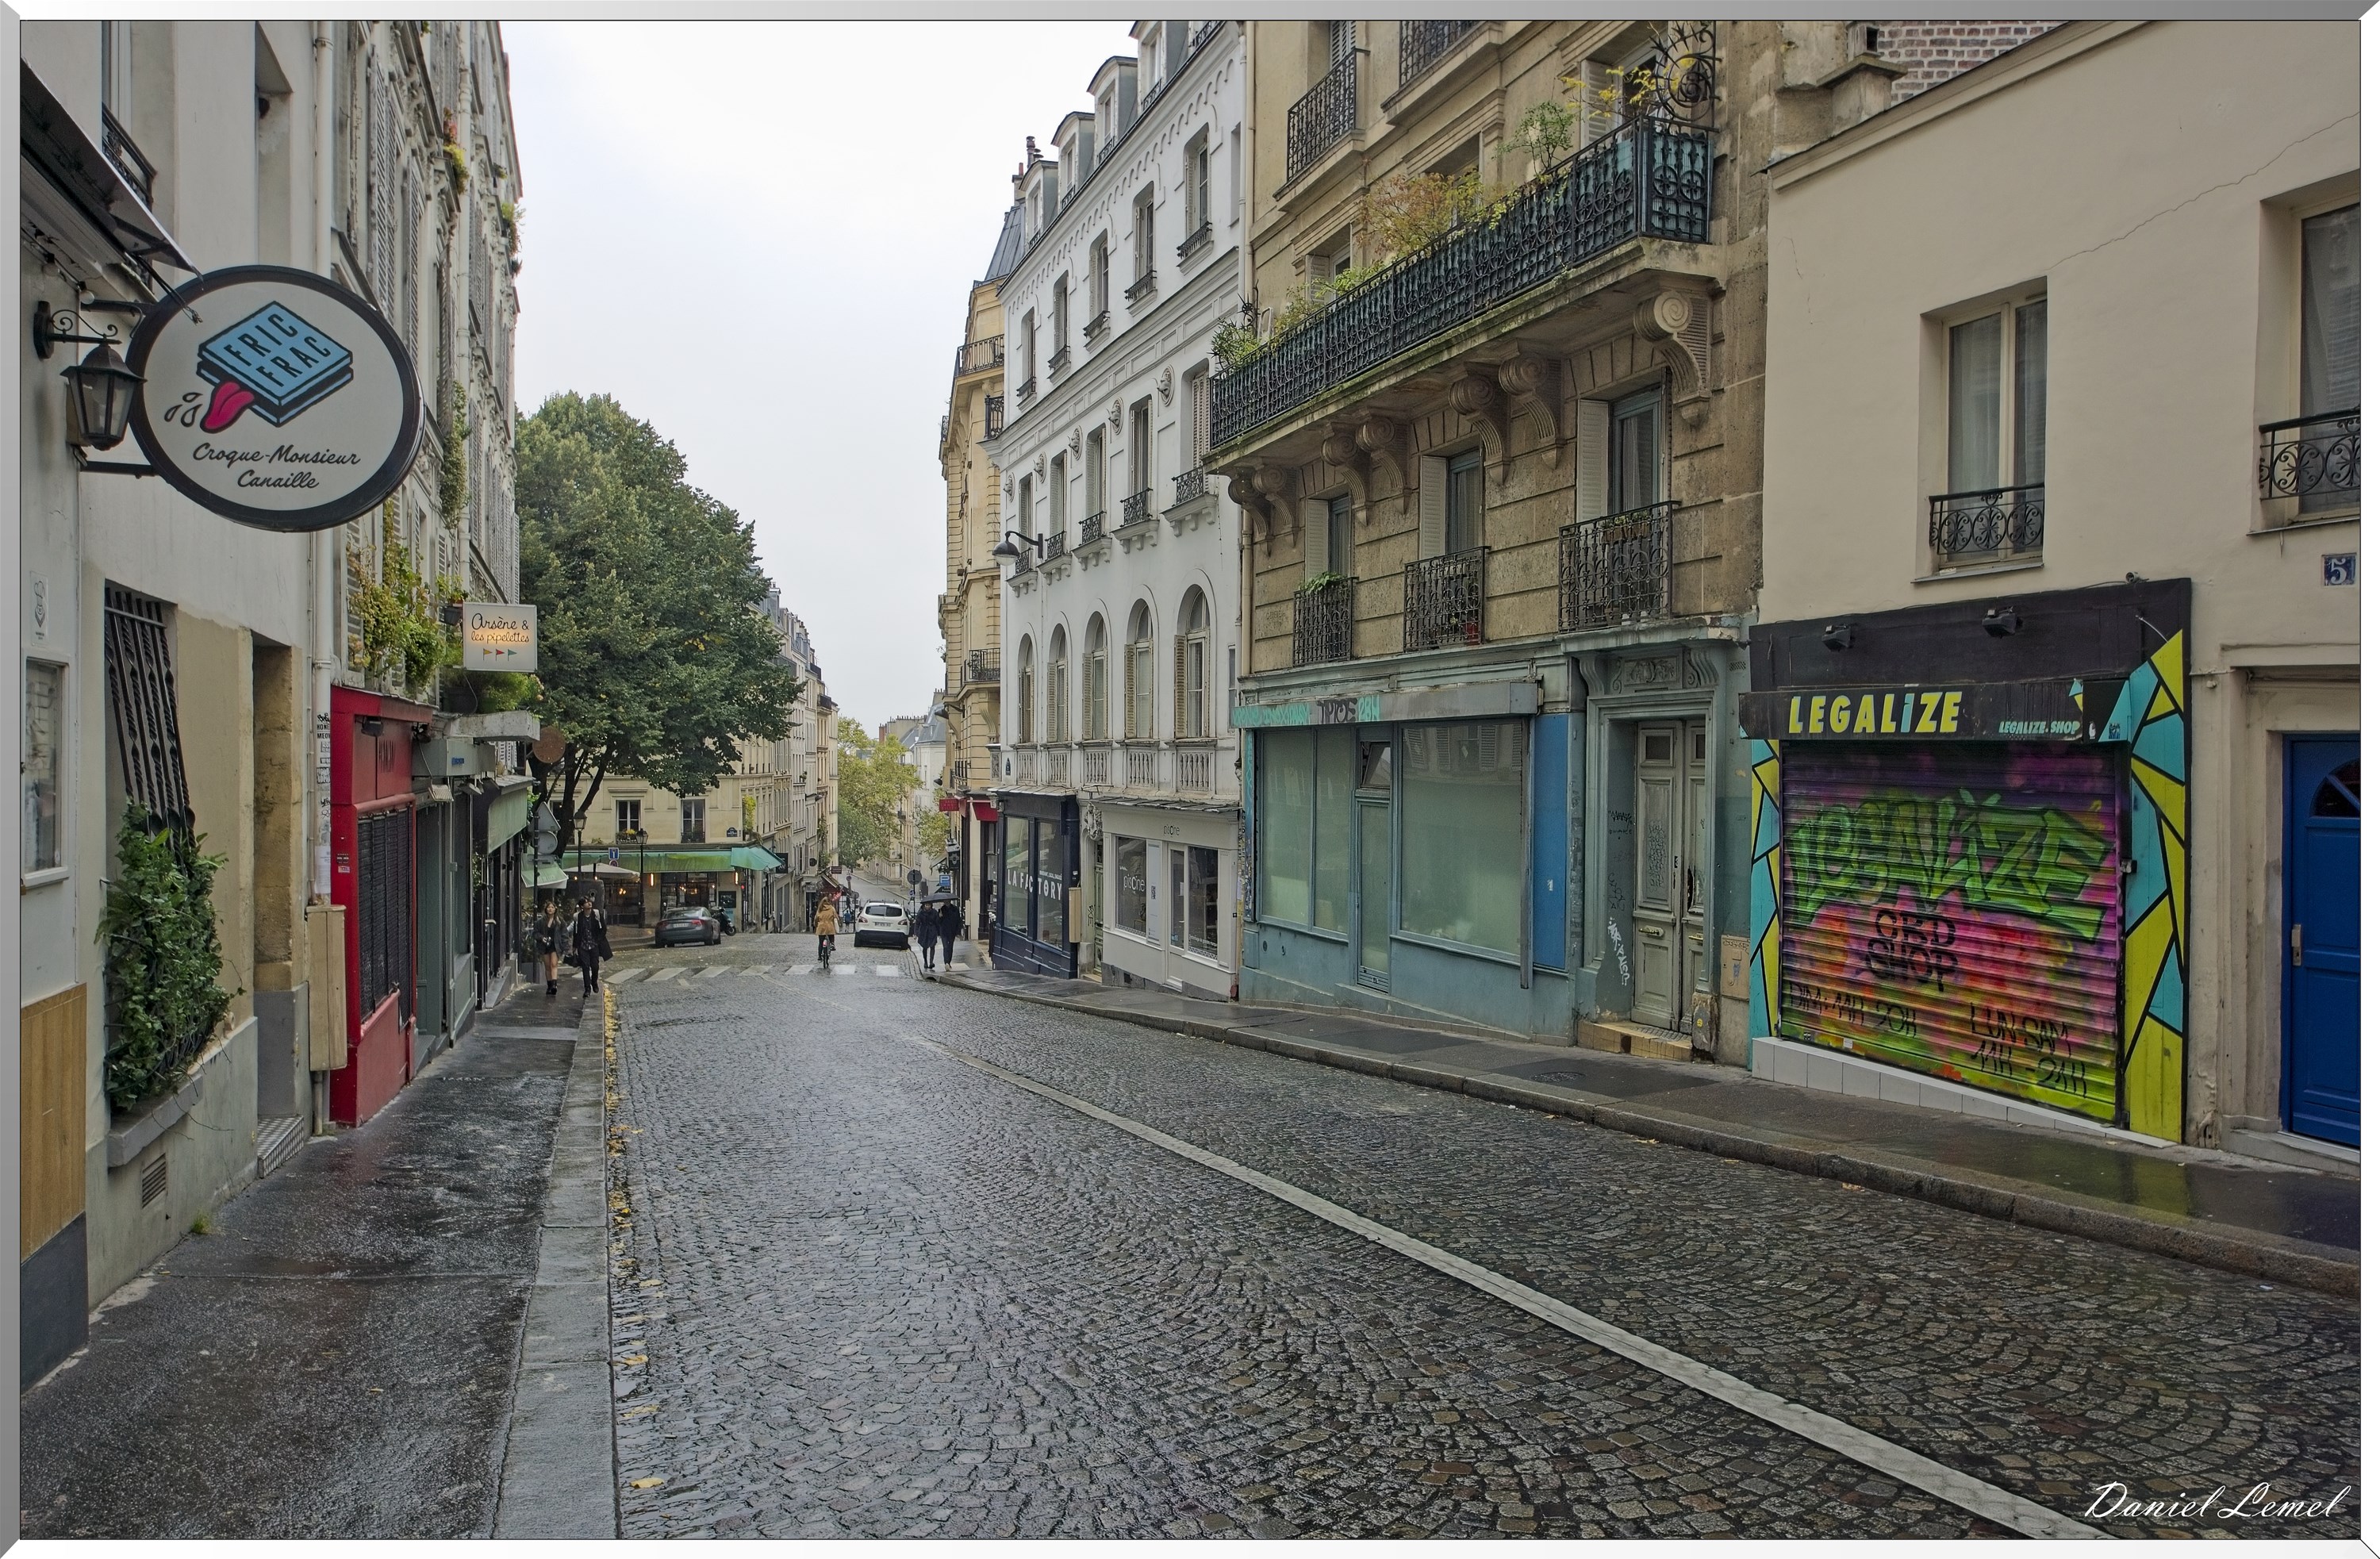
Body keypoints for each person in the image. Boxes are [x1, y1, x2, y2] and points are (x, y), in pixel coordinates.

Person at [570, 897, 609, 996]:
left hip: (594, 945)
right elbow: (576, 933)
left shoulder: (596, 914)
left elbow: (604, 929)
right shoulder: (578, 917)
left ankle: (594, 981)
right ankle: (587, 989)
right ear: (582, 906)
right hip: (583, 946)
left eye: (589, 902)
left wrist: (598, 940)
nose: (589, 903)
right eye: (586, 902)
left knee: (595, 966)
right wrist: (574, 946)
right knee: (585, 967)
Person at [534, 899, 563, 996]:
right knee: (547, 966)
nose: (550, 909)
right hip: (545, 945)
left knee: (553, 964)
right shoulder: (540, 922)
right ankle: (549, 985)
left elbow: (564, 934)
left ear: (555, 909)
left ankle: (554, 985)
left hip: (555, 945)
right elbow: (535, 933)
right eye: (549, 907)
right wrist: (542, 938)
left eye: (552, 907)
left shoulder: (559, 921)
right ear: (546, 909)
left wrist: (565, 946)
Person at [813, 893, 840, 965]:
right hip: (829, 926)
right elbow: (835, 917)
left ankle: (819, 957)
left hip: (821, 927)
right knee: (831, 936)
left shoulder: (820, 909)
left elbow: (816, 919)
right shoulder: (831, 908)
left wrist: (816, 926)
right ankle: (832, 944)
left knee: (821, 943)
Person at [912, 901, 938, 973]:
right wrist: (916, 933)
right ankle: (925, 961)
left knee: (932, 946)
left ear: (931, 905)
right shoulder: (921, 913)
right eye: (926, 905)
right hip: (924, 931)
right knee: (925, 947)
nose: (928, 906)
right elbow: (917, 923)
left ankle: (931, 962)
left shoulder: (934, 912)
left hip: (932, 931)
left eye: (929, 905)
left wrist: (939, 932)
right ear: (924, 905)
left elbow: (937, 922)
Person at [937, 897, 962, 970]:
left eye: (947, 901)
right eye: (945, 901)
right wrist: (940, 917)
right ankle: (946, 963)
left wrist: (958, 932)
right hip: (944, 931)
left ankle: (949, 962)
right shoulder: (941, 910)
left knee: (950, 947)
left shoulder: (955, 909)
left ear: (950, 901)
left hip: (952, 931)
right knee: (945, 947)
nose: (946, 902)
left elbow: (958, 920)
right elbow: (938, 922)